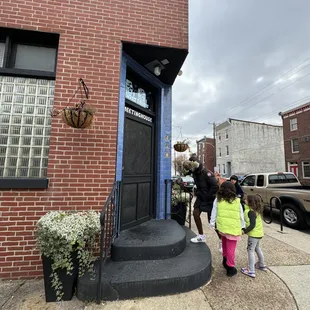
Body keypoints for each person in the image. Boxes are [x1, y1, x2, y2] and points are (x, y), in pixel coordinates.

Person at [210, 181, 245, 277]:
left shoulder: (218, 200)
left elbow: (214, 212)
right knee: (231, 249)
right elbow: (241, 215)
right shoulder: (237, 201)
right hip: (233, 228)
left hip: (222, 227)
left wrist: (212, 223)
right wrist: (243, 226)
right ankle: (230, 267)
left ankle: (225, 260)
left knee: (225, 243)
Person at [183, 155, 219, 245]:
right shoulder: (194, 172)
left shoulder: (206, 173)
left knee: (212, 222)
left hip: (209, 198)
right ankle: (201, 236)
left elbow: (215, 186)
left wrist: (208, 196)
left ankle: (222, 239)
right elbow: (187, 172)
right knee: (195, 213)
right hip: (200, 197)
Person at [241, 195, 267, 278]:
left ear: (250, 202)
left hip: (254, 235)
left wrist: (244, 231)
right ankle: (261, 264)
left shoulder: (250, 212)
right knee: (257, 248)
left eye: (246, 199)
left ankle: (251, 270)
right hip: (259, 234)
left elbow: (252, 225)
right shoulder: (256, 211)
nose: (245, 200)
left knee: (250, 250)